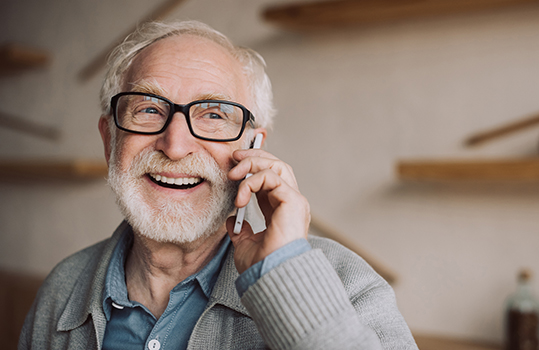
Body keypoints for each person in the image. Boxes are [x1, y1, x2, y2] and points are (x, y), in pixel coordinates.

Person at [19, 20, 418, 350]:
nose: (175, 146)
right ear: (110, 141)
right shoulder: (61, 289)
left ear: (254, 146)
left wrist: (285, 277)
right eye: (148, 109)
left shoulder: (348, 283)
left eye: (213, 115)